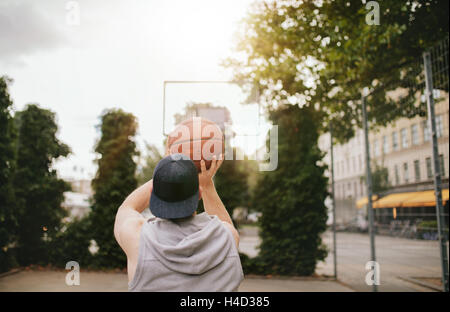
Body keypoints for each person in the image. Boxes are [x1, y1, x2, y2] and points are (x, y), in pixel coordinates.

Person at [114, 153, 243, 291]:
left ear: (152, 192)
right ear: (199, 193)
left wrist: (166, 171)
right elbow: (225, 225)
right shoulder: (227, 237)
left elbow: (126, 208)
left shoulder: (137, 237)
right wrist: (207, 184)